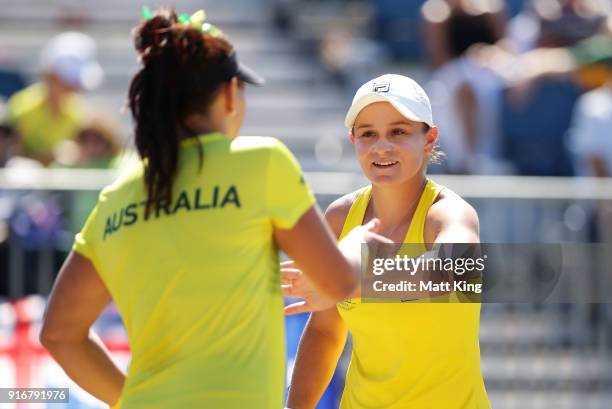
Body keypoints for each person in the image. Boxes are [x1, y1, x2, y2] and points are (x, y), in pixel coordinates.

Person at [39, 8, 390, 409]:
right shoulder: (263, 163)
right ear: (227, 94)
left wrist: (132, 400)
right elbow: (341, 285)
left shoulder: (116, 198)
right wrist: (358, 239)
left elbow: (58, 333)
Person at [284, 74, 490, 409]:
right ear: (353, 140)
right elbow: (325, 331)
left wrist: (349, 281)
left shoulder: (448, 213)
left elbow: (455, 271)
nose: (382, 146)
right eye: (368, 134)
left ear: (429, 138)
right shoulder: (341, 216)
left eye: (398, 131)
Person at [7, 31, 102, 165]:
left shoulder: (81, 112)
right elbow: (10, 155)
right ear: (52, 75)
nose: (73, 88)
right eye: (67, 81)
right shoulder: (20, 107)